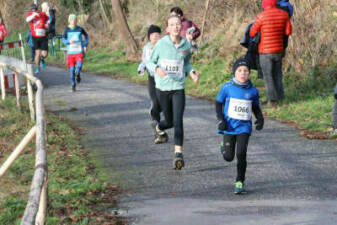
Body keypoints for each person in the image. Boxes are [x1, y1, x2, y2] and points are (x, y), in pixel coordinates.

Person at [146, 15, 199, 170]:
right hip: (162, 88)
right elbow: (150, 61)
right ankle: (159, 127)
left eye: (178, 24)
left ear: (181, 27)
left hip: (178, 88)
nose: (175, 27)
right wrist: (156, 69)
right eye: (172, 24)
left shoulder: (185, 45)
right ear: (168, 28)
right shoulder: (161, 44)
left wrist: (192, 73)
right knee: (168, 121)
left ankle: (178, 154)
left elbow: (187, 63)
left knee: (178, 121)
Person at [216, 58, 264, 194]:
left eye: (246, 71)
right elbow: (218, 103)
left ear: (249, 73)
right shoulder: (227, 88)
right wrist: (220, 120)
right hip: (229, 127)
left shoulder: (253, 91)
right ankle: (223, 146)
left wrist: (260, 119)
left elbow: (255, 107)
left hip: (244, 127)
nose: (243, 73)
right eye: (240, 71)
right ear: (234, 73)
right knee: (228, 157)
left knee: (241, 153)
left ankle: (240, 181)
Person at [250, 0, 292, 106]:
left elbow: (252, 32)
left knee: (268, 75)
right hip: (278, 50)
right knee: (278, 74)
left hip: (265, 51)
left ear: (264, 5)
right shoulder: (284, 15)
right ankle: (281, 97)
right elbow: (288, 32)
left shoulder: (261, 16)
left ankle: (272, 100)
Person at [137, 25, 163, 135]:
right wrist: (141, 68)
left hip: (162, 78)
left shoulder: (163, 46)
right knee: (155, 100)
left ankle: (156, 112)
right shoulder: (146, 48)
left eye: (157, 35)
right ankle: (155, 120)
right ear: (149, 37)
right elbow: (144, 61)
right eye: (152, 35)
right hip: (152, 78)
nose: (155, 37)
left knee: (162, 102)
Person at [62, 14, 89, 92]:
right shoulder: (67, 30)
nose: (73, 21)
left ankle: (77, 73)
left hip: (78, 51)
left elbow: (86, 36)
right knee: (71, 70)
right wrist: (68, 41)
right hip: (70, 53)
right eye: (71, 20)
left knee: (79, 65)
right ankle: (73, 83)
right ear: (69, 21)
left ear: (76, 20)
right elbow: (63, 39)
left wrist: (85, 45)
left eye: (74, 20)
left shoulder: (80, 29)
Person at [26, 3, 49, 74]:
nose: (34, 11)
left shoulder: (42, 14)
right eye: (32, 10)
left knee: (44, 54)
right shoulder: (30, 14)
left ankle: (42, 59)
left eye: (35, 9)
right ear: (31, 10)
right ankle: (38, 67)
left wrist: (47, 24)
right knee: (37, 54)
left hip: (43, 36)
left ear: (37, 9)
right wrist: (33, 15)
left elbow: (48, 20)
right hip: (35, 37)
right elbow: (27, 20)